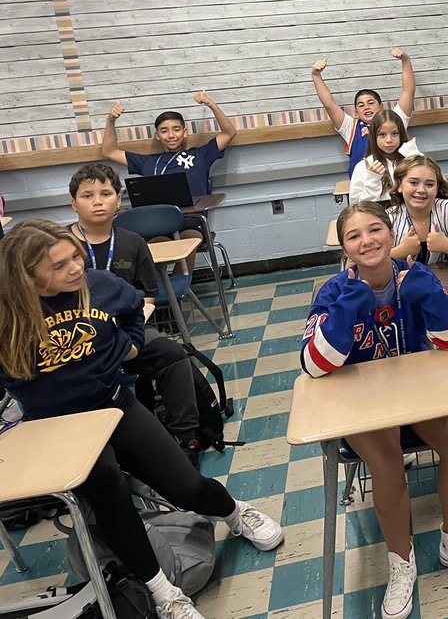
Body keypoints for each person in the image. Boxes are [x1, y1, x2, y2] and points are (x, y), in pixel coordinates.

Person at [0, 220, 282, 619]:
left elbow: (134, 308)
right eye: (59, 265)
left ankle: (236, 513)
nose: (75, 268)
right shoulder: (7, 314)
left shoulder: (98, 284)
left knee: (186, 485)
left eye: (75, 256)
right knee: (111, 495)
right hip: (59, 430)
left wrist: (130, 346)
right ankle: (164, 592)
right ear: (26, 275)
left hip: (115, 407)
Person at [301, 202, 448, 619]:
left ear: (391, 235)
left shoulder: (415, 277)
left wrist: (429, 294)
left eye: (375, 230)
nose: (367, 241)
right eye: (354, 236)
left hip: (415, 388)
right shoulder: (334, 292)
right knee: (388, 463)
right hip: (362, 398)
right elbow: (314, 365)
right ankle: (401, 561)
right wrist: (345, 311)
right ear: (344, 249)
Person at [67, 163, 204, 465]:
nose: (98, 201)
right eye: (87, 195)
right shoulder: (61, 246)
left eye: (106, 193)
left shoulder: (132, 242)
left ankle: (185, 438)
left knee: (173, 355)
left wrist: (132, 330)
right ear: (73, 203)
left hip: (127, 331)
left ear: (118, 199)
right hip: (76, 337)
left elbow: (149, 295)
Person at [101, 91, 236, 274]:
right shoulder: (148, 162)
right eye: (164, 131)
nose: (171, 135)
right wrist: (111, 120)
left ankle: (179, 292)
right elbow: (109, 151)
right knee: (153, 248)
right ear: (157, 135)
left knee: (188, 242)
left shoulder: (200, 155)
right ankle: (158, 292)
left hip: (191, 221)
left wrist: (211, 104)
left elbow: (229, 132)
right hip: (158, 224)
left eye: (176, 129)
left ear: (184, 132)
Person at [310, 48, 416, 178]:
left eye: (371, 103)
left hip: (396, 185)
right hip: (363, 189)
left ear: (381, 106)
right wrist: (316, 75)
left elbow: (408, 91)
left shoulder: (394, 120)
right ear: (356, 112)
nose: (366, 107)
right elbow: (329, 104)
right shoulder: (351, 128)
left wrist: (405, 60)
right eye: (361, 105)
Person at [349, 109, 421, 204]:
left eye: (395, 134)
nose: (389, 140)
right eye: (382, 135)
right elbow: (357, 207)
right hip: (379, 217)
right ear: (374, 137)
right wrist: (373, 179)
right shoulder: (363, 167)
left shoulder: (410, 157)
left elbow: (433, 189)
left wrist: (416, 157)